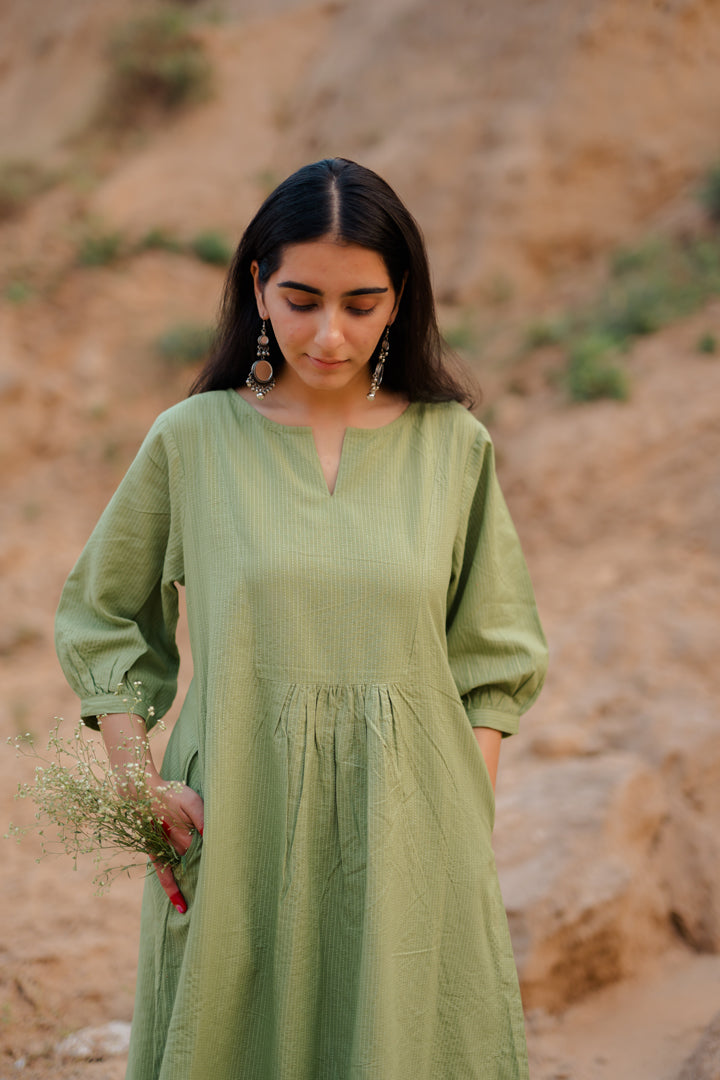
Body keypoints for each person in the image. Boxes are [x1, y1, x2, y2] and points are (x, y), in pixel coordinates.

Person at [55, 157, 548, 1080]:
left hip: (411, 832)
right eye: (302, 299)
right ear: (258, 287)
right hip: (238, 817)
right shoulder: (191, 439)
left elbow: (492, 658)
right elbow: (103, 613)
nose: (329, 333)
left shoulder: (454, 448)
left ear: (401, 299)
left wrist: (458, 821)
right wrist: (138, 786)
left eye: (361, 304)